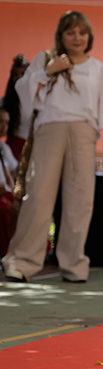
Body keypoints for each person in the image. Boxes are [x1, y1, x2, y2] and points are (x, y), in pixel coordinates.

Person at [1, 11, 103, 282]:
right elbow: (22, 93)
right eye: (70, 32)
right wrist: (47, 71)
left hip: (84, 134)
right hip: (49, 131)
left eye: (82, 33)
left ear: (89, 37)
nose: (77, 38)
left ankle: (74, 265)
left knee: (80, 201)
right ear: (61, 35)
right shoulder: (44, 59)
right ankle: (23, 261)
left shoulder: (98, 68)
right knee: (39, 197)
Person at [1, 54, 30, 158]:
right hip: (13, 148)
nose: (19, 78)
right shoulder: (6, 102)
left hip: (34, 146)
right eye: (16, 74)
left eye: (23, 74)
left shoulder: (38, 100)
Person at [0, 107, 19, 257]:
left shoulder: (4, 148)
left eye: (6, 123)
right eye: (0, 122)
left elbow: (15, 170)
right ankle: (7, 254)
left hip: (8, 192)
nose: (3, 127)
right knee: (6, 208)